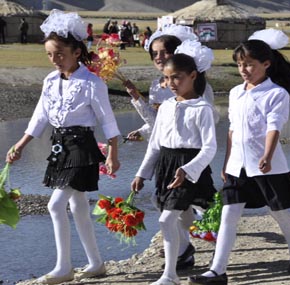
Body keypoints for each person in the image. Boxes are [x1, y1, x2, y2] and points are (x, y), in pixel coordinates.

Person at [5, 9, 120, 284]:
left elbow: (108, 120)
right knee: (78, 204)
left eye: (59, 54)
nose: (54, 60)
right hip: (60, 146)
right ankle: (95, 263)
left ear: (76, 52)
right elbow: (40, 117)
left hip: (82, 147)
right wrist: (20, 145)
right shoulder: (49, 81)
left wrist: (114, 153)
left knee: (56, 205)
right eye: (49, 55)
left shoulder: (92, 83)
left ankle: (63, 268)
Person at [188, 28, 290, 285]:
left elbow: (274, 127)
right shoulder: (235, 92)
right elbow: (232, 129)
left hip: (266, 165)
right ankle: (217, 270)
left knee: (278, 211)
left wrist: (267, 155)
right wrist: (226, 161)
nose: (244, 69)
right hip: (237, 166)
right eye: (240, 64)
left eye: (250, 65)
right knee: (229, 215)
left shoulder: (276, 93)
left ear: (266, 64)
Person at [124, 24, 216, 272]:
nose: (158, 58)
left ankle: (188, 261)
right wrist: (137, 99)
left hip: (189, 158)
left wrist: (189, 166)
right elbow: (157, 130)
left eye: (164, 52)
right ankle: (184, 252)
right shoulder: (159, 89)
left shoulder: (201, 97)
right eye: (154, 54)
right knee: (166, 206)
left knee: (177, 212)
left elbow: (198, 129)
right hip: (166, 160)